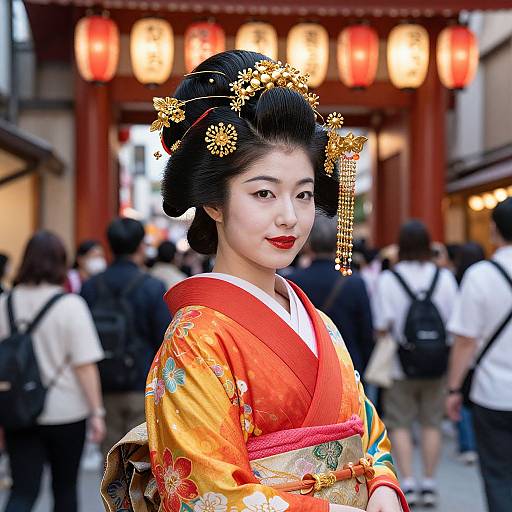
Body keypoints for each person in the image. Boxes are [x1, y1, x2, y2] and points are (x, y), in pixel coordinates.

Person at [102, 51, 409, 512]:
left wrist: (382, 483)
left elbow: (367, 429)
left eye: (303, 194)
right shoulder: (196, 340)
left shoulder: (318, 322)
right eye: (263, 192)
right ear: (213, 202)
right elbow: (207, 495)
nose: (289, 216)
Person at [0, 231, 105, 512]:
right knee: (64, 488)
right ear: (61, 262)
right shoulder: (71, 306)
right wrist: (96, 412)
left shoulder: (5, 303)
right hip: (66, 412)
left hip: (18, 409)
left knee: (22, 490)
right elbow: (85, 366)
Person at [373, 220, 458, 507]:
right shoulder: (443, 278)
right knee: (432, 422)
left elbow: (381, 325)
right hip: (437, 363)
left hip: (400, 364)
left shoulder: (389, 279)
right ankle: (430, 483)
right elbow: (453, 322)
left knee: (400, 423)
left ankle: (407, 482)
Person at [81, 218, 171, 456]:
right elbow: (164, 339)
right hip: (141, 384)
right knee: (141, 462)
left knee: (111, 462)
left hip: (104, 384)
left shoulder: (90, 286)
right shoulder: (152, 286)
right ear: (141, 246)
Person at [446, 197, 512, 512]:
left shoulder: (481, 275)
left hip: (493, 393)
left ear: (495, 230)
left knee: (498, 475)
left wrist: (454, 389)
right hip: (492, 393)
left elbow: (465, 341)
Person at [288, 216, 374, 374]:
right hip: (348, 363)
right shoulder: (355, 282)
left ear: (308, 244)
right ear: (338, 243)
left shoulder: (292, 281)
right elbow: (366, 333)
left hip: (307, 366)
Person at [451, 242, 485, 464]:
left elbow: (464, 338)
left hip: (475, 358)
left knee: (465, 400)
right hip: (488, 359)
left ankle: (468, 444)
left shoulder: (470, 279)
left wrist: (452, 387)